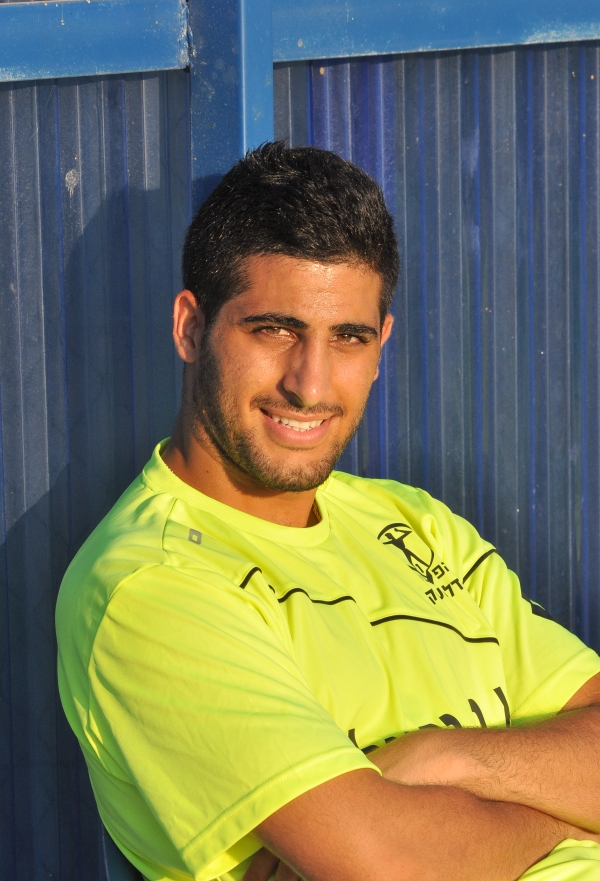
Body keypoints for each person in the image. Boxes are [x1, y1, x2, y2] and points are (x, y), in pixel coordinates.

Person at [56, 142, 600, 881]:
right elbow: (393, 867)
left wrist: (452, 760)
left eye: (348, 337)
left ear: (381, 345)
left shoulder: (416, 524)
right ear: (190, 327)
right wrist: (564, 808)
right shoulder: (150, 585)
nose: (310, 385)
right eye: (274, 330)